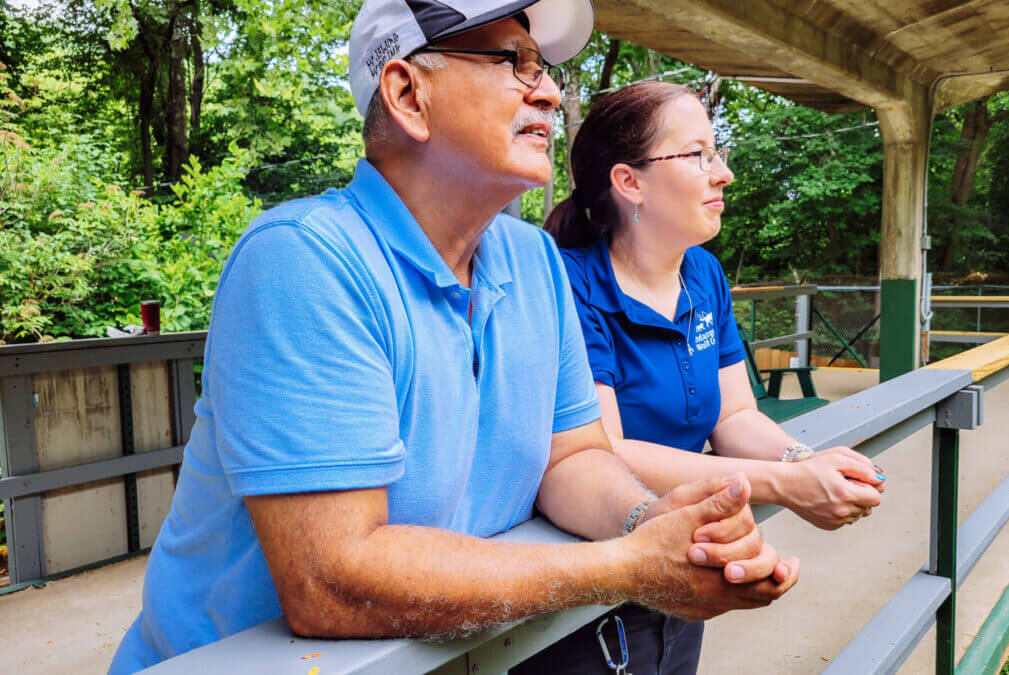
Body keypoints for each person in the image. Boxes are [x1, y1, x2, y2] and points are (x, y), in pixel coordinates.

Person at [109, 4, 802, 672]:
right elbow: (332, 578)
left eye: (545, 68)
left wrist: (647, 520)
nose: (552, 93)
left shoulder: (533, 260)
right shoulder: (302, 260)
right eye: (517, 62)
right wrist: (627, 567)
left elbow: (572, 459)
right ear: (409, 94)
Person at [526, 81, 887, 674]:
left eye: (716, 154)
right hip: (596, 579)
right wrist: (785, 486)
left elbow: (733, 415)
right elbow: (604, 450)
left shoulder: (704, 273)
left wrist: (806, 460)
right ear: (629, 182)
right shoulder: (569, 284)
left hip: (689, 561)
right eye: (698, 155)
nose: (723, 174)